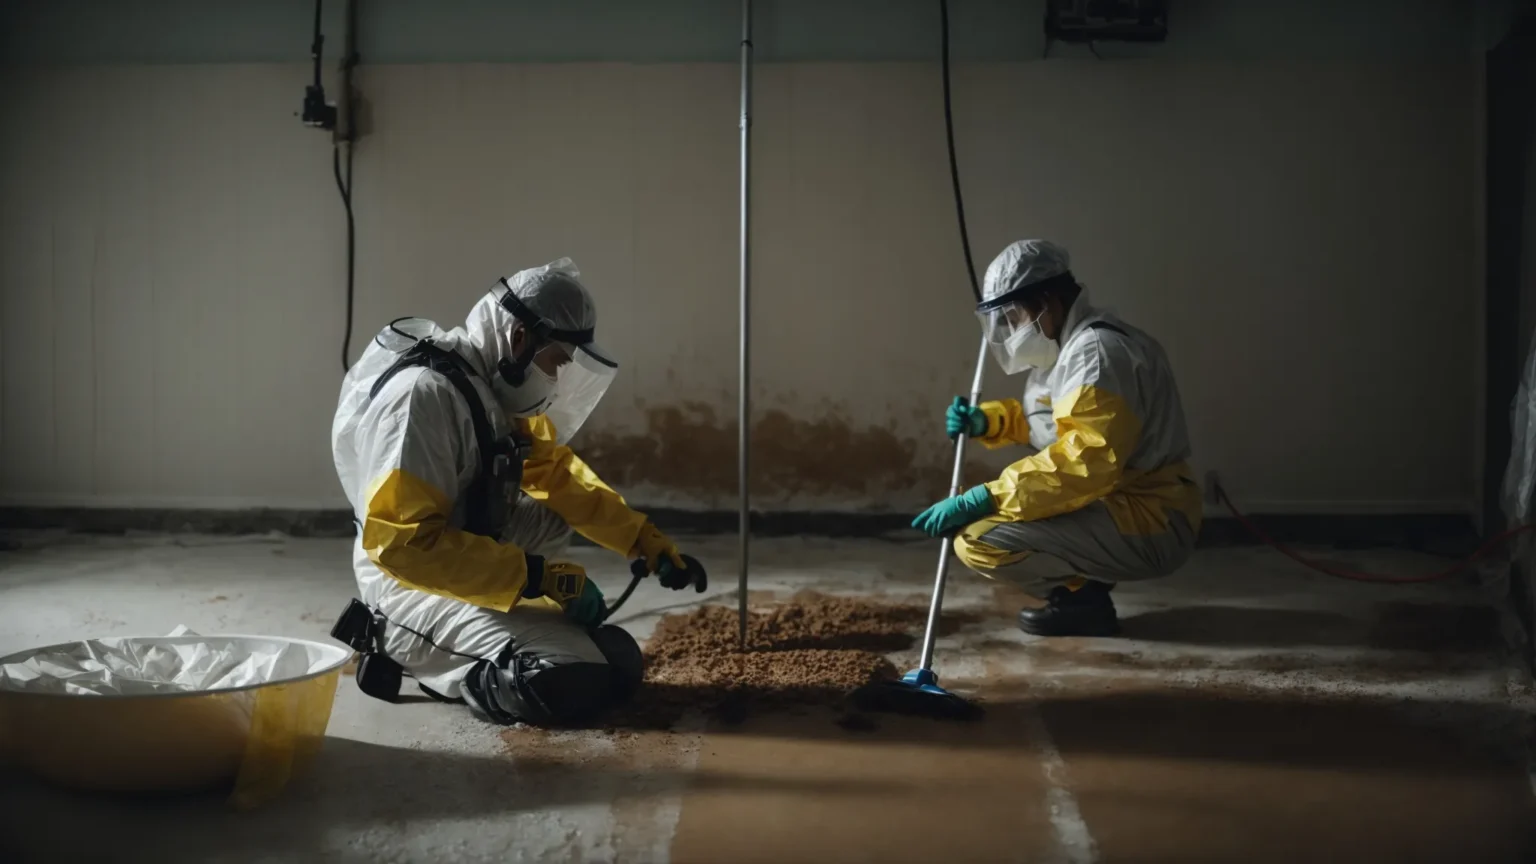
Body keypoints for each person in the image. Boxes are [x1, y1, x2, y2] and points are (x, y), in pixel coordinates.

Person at [330, 258, 705, 726]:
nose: (557, 378)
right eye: (556, 362)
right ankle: (406, 647)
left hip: (459, 550)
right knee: (570, 681)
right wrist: (537, 577)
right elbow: (402, 545)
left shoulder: (493, 389)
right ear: (520, 339)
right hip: (404, 579)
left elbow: (555, 476)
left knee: (617, 661)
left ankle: (495, 631)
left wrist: (643, 541)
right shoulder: (423, 399)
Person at [912, 240, 1201, 636]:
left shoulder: (1098, 355)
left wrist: (991, 496)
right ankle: (1085, 592)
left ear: (1046, 300)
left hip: (1150, 517)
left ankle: (1083, 599)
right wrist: (988, 422)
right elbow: (1053, 426)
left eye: (1014, 317)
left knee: (979, 539)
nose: (1013, 331)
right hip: (1119, 501)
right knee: (989, 527)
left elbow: (1084, 461)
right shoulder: (1070, 346)